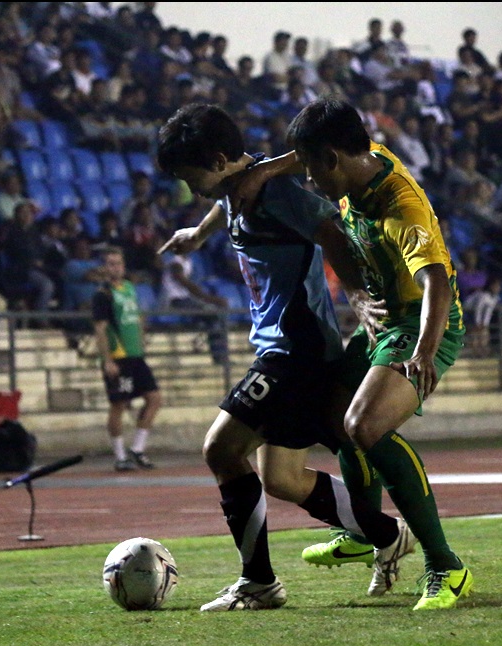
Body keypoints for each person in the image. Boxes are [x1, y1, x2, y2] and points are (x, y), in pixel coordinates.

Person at [156, 103, 414, 612]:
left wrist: (356, 294)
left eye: (191, 178)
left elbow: (330, 230)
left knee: (221, 450)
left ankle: (259, 582)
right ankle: (387, 533)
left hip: (296, 350)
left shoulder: (275, 192)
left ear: (221, 160)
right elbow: (226, 201)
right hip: (285, 347)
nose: (192, 189)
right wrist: (199, 234)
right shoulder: (240, 185)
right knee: (282, 479)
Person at [237, 97, 472, 610]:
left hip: (420, 323)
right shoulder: (360, 158)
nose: (308, 179)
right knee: (334, 413)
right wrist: (266, 170)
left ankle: (445, 564)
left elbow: (436, 282)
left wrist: (424, 353)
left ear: (332, 159)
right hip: (384, 321)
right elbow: (304, 155)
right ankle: (364, 531)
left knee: (364, 425)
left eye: (311, 168)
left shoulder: (400, 206)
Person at [92, 246, 162, 472]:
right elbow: (100, 329)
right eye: (111, 264)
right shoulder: (103, 295)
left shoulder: (130, 288)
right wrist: (107, 360)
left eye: (119, 263)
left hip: (136, 355)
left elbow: (136, 317)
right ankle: (120, 455)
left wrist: (141, 339)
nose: (116, 268)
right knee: (118, 404)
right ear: (105, 268)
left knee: (154, 398)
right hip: (119, 357)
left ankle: (138, 449)